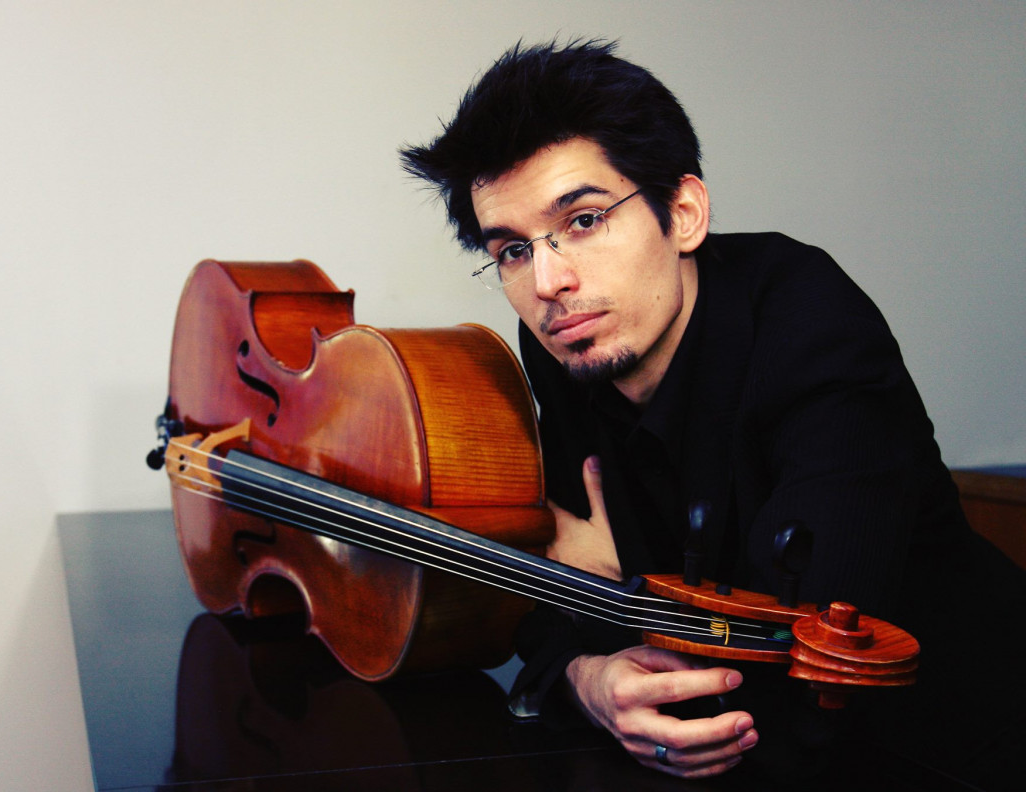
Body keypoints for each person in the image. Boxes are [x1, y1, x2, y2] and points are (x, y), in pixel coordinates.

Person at [400, 40, 1025, 788]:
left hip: (955, 746)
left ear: (684, 213)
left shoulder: (813, 322)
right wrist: (587, 678)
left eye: (585, 220)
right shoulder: (568, 344)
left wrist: (619, 597)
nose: (548, 281)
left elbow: (802, 645)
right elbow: (547, 602)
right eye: (510, 251)